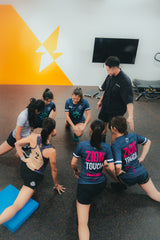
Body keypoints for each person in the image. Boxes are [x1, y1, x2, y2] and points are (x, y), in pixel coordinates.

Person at [0, 118, 65, 225]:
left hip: (24, 167)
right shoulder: (51, 150)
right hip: (33, 177)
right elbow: (54, 170)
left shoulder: (34, 136)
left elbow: (17, 144)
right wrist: (56, 185)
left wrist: (22, 158)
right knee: (16, 206)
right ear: (53, 131)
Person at [71, 119, 116, 240]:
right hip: (100, 184)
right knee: (95, 191)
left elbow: (73, 163)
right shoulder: (106, 147)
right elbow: (111, 168)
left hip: (85, 186)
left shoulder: (82, 145)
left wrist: (76, 171)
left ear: (90, 130)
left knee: (82, 224)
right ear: (103, 132)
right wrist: (104, 164)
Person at [111, 116, 160, 201]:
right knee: (155, 194)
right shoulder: (133, 135)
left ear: (114, 128)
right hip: (141, 173)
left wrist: (118, 173)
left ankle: (120, 184)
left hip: (128, 177)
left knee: (108, 165)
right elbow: (148, 142)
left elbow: (118, 166)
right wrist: (141, 158)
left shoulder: (116, 144)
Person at [97, 56, 134, 142]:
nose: (107, 71)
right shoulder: (110, 75)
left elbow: (129, 101)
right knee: (102, 126)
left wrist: (130, 117)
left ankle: (113, 149)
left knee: (114, 131)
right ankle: (102, 145)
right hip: (106, 106)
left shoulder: (125, 81)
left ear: (114, 68)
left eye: (108, 70)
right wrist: (101, 100)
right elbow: (106, 89)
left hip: (116, 110)